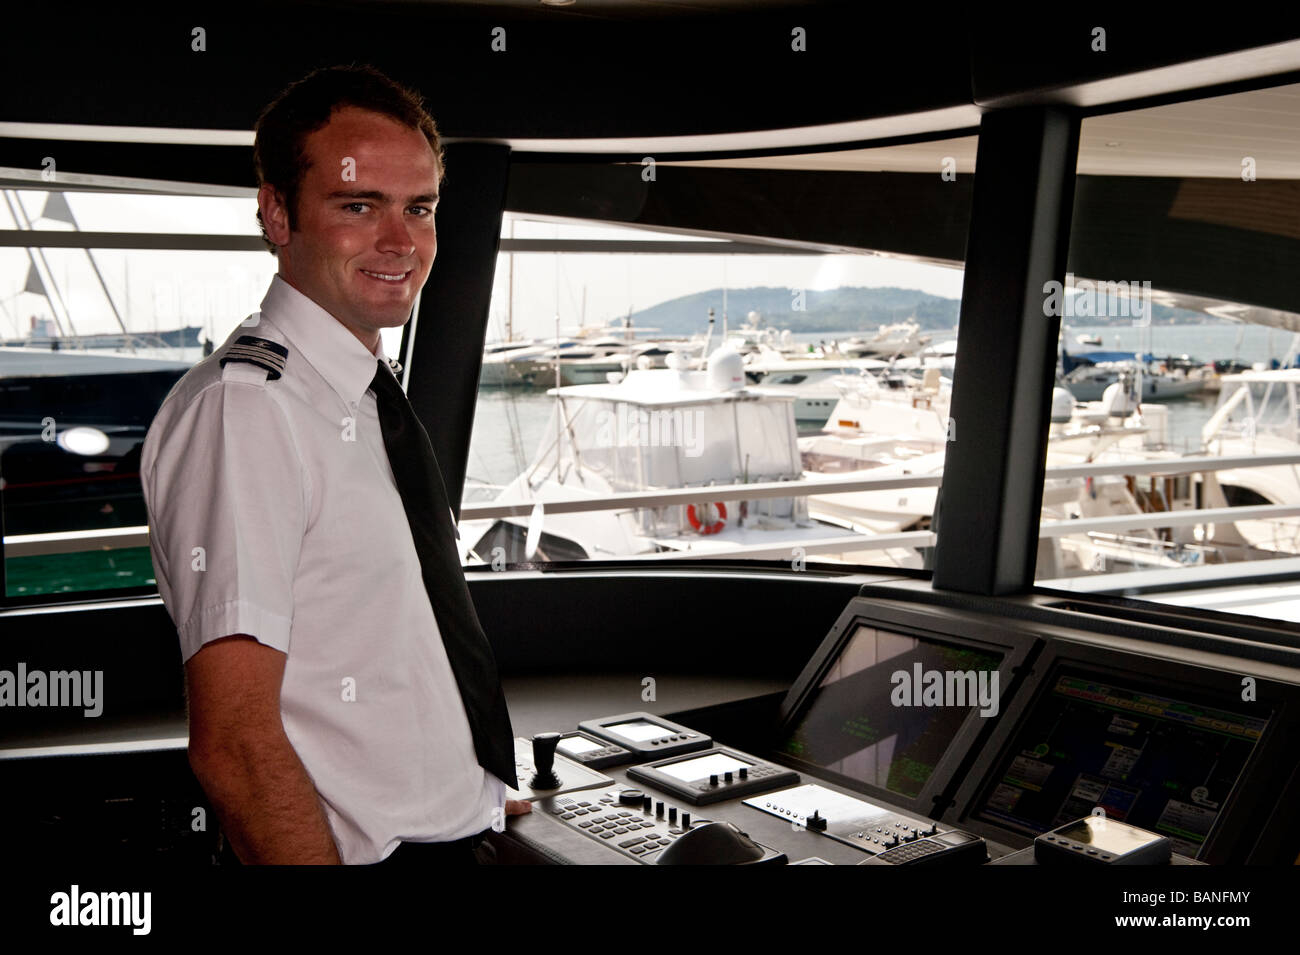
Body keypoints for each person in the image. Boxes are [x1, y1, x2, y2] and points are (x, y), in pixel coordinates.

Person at [140, 64, 528, 865]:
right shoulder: (249, 410)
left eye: (418, 208)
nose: (401, 242)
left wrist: (465, 782)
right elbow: (235, 746)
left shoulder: (358, 396)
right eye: (359, 206)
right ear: (278, 214)